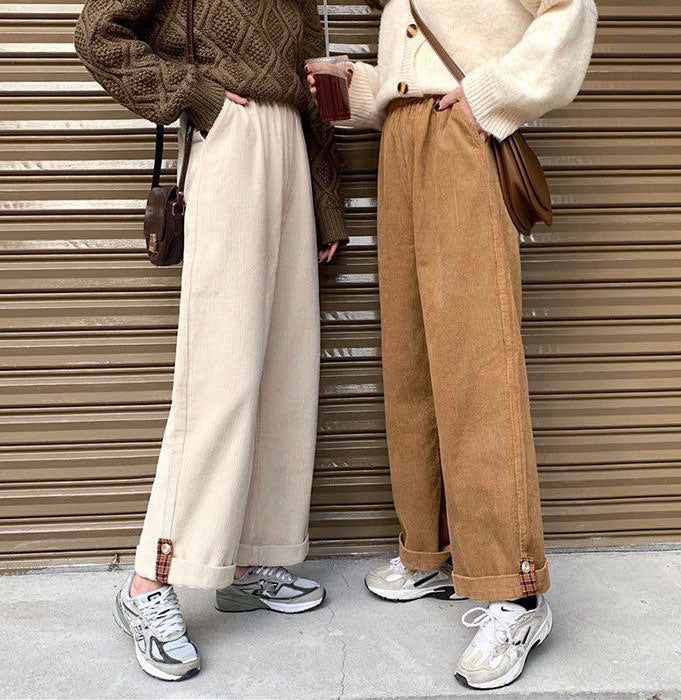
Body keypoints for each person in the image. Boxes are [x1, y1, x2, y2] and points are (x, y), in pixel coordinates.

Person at [308, 0, 597, 689]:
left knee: (476, 359)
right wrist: (369, 88)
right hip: (402, 138)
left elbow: (571, 11)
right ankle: (431, 552)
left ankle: (516, 592)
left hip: (463, 135)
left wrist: (490, 94)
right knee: (411, 360)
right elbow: (423, 53)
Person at [74, 0, 347, 681]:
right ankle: (148, 581)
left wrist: (324, 200)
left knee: (286, 372)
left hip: (288, 144)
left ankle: (248, 559)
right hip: (229, 139)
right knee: (220, 374)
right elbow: (97, 33)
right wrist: (194, 95)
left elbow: (309, 75)